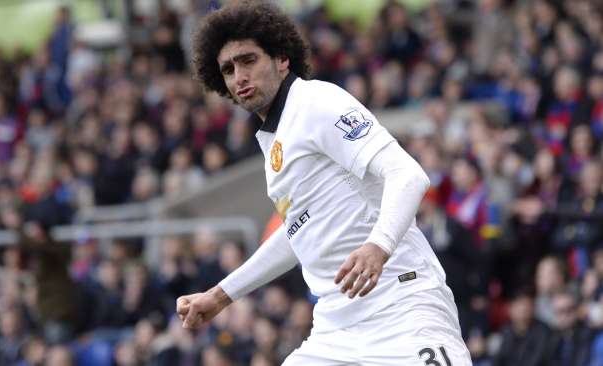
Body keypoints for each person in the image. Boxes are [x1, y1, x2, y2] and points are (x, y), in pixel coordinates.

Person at [177, 2, 471, 365]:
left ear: (282, 60)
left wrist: (377, 247)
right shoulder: (275, 140)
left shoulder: (316, 102)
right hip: (335, 327)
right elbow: (298, 232)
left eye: (248, 60)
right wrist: (221, 295)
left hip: (400, 306)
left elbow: (408, 175)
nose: (239, 76)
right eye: (228, 68)